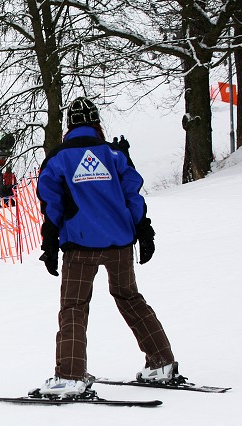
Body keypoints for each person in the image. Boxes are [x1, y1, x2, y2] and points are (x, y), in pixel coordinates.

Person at [36, 97, 179, 398]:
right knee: (130, 298)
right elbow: (133, 196)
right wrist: (144, 230)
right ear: (96, 123)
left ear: (69, 126)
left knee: (74, 307)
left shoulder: (58, 158)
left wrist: (49, 244)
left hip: (80, 245)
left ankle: (70, 376)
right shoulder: (114, 154)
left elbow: (52, 205)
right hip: (120, 243)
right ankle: (161, 362)